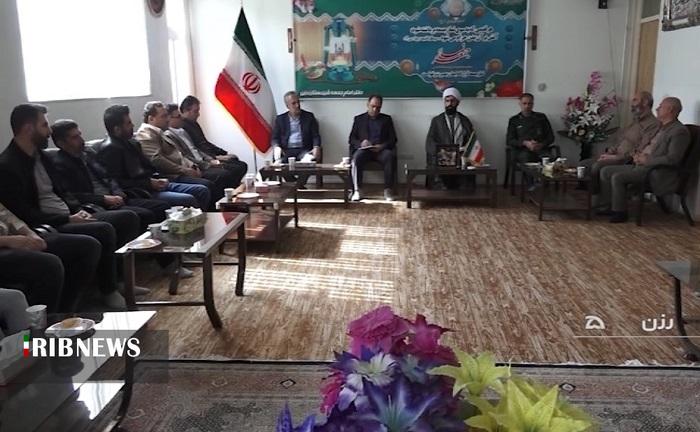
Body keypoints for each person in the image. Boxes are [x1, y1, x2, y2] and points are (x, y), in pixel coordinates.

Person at [0, 104, 126, 309]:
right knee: (97, 236)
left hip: (65, 216)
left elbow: (63, 191)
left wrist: (77, 210)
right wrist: (66, 219)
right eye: (44, 125)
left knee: (122, 219)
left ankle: (109, 288)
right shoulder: (7, 166)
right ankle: (68, 309)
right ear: (28, 129)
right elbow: (24, 213)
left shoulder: (43, 157)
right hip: (47, 223)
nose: (49, 131)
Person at [48, 119, 170, 229]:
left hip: (117, 197)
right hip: (97, 205)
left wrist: (117, 192)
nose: (81, 140)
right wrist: (104, 199)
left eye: (80, 135)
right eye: (75, 137)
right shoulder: (59, 164)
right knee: (142, 214)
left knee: (161, 206)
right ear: (61, 143)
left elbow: (108, 176)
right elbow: (72, 196)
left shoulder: (88, 153)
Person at [97, 104, 210, 210]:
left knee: (202, 190)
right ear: (117, 129)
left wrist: (156, 179)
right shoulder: (110, 149)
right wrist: (150, 183)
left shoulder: (132, 143)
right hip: (141, 192)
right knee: (188, 199)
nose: (133, 125)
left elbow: (149, 167)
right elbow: (117, 183)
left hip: (154, 183)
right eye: (128, 123)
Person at [598, 97, 690, 223]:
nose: (657, 109)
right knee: (606, 171)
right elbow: (646, 145)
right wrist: (637, 155)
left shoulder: (679, 131)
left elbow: (673, 158)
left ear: (670, 110)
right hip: (641, 165)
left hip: (656, 172)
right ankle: (610, 205)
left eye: (661, 106)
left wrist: (647, 160)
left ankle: (620, 212)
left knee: (618, 177)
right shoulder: (660, 127)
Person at [0, 202, 100, 312]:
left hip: (12, 238)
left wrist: (31, 234)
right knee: (49, 264)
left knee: (86, 246)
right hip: (5, 244)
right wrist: (8, 241)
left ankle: (65, 312)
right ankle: (44, 319)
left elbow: (8, 217)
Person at [135, 101, 221, 208]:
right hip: (170, 175)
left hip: (181, 171)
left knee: (213, 180)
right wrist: (184, 170)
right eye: (163, 116)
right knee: (206, 186)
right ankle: (209, 216)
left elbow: (181, 154)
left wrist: (193, 166)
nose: (167, 119)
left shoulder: (160, 132)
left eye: (167, 116)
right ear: (151, 119)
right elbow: (156, 160)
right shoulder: (146, 134)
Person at [579, 91, 660, 193]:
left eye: (635, 100)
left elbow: (641, 148)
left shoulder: (653, 124)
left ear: (645, 102)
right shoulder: (635, 121)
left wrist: (617, 157)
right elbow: (621, 139)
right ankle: (589, 197)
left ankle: (600, 198)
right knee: (583, 164)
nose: (632, 104)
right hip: (615, 155)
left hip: (626, 160)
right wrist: (610, 152)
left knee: (597, 166)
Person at [163, 103, 240, 198]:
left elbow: (197, 149)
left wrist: (211, 159)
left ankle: (232, 198)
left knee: (235, 166)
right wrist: (207, 164)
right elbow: (184, 155)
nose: (182, 118)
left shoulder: (182, 131)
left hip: (202, 160)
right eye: (178, 116)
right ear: (169, 118)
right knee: (223, 174)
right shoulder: (168, 135)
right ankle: (222, 202)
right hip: (196, 166)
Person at [179, 95, 248, 182]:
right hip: (204, 160)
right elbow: (195, 150)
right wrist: (216, 157)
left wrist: (223, 152)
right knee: (233, 170)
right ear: (186, 111)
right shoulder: (182, 128)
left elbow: (205, 143)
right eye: (196, 111)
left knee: (238, 163)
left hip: (209, 155)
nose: (198, 114)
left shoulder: (194, 124)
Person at [348, 94, 397, 201]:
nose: (375, 109)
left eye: (378, 107)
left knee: (389, 156)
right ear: (367, 105)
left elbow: (393, 139)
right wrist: (361, 144)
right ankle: (357, 190)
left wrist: (382, 146)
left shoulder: (387, 119)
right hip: (365, 150)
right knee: (356, 158)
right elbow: (351, 139)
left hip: (380, 151)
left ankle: (388, 189)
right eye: (373, 106)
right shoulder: (359, 119)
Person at [425, 87, 475, 189]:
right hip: (442, 157)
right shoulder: (437, 120)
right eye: (447, 101)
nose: (450, 104)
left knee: (466, 166)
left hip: (460, 158)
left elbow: (472, 142)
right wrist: (443, 152)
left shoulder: (465, 120)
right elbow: (429, 142)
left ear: (458, 102)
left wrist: (463, 150)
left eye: (452, 101)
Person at [506, 93, 555, 164]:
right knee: (527, 159)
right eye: (524, 103)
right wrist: (525, 143)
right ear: (520, 104)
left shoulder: (541, 117)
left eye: (530, 103)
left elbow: (551, 137)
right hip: (523, 151)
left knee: (551, 161)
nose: (527, 106)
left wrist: (541, 145)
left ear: (533, 104)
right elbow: (509, 140)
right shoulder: (514, 120)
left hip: (541, 149)